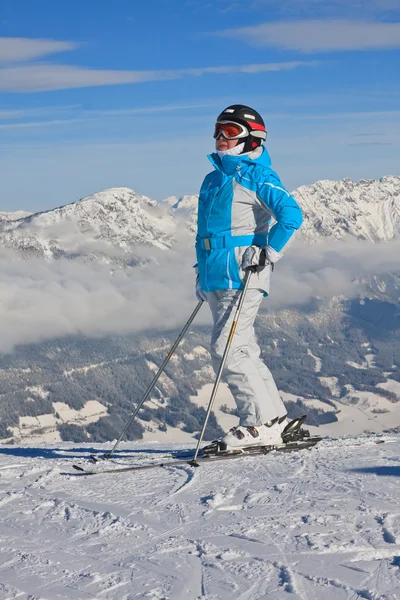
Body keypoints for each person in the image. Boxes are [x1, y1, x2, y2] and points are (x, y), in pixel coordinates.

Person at [195, 104, 303, 450]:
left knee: (227, 349)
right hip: (215, 275)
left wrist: (270, 250)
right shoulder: (213, 179)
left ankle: (257, 424)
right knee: (243, 348)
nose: (221, 138)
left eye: (230, 131)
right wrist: (201, 270)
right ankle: (275, 420)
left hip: (244, 273)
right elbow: (207, 232)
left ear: (252, 137)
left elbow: (291, 215)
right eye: (217, 131)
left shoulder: (257, 176)